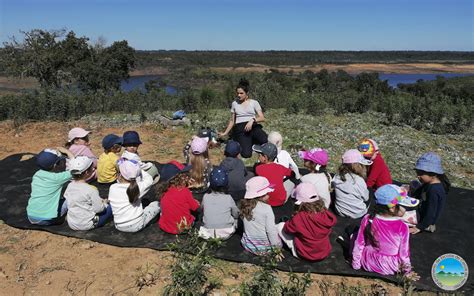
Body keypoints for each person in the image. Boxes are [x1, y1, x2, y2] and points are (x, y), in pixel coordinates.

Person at [352, 184, 419, 276]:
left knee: (355, 236)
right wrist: (407, 271)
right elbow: (404, 254)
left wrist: (356, 264)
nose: (405, 209)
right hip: (390, 266)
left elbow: (359, 244)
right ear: (392, 208)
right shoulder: (402, 226)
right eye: (403, 206)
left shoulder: (368, 218)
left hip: (368, 262)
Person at [277, 182, 337, 261]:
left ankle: (277, 246)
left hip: (304, 254)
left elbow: (287, 229)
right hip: (323, 252)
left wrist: (290, 222)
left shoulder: (299, 218)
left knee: (279, 226)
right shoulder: (325, 214)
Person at [218, 79, 268, 158]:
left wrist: (252, 120)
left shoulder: (254, 102)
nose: (239, 95)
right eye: (238, 93)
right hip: (241, 129)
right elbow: (232, 120)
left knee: (265, 139)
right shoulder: (234, 104)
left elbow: (262, 118)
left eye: (241, 93)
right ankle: (247, 142)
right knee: (246, 154)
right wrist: (225, 133)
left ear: (247, 93)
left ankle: (252, 141)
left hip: (253, 125)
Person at [108, 159, 160, 232]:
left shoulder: (113, 188)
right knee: (156, 204)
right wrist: (138, 170)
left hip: (119, 225)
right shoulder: (138, 187)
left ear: (120, 175)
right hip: (137, 225)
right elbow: (149, 179)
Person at [27, 147, 74, 225]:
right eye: (61, 161)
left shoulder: (36, 174)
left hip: (31, 216)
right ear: (56, 165)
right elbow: (77, 169)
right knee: (72, 197)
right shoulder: (57, 178)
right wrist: (68, 152)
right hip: (46, 219)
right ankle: (62, 218)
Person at [64, 156, 112, 230]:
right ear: (86, 172)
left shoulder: (70, 186)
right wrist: (105, 203)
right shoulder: (91, 189)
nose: (93, 169)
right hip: (88, 224)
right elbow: (99, 209)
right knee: (111, 207)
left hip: (72, 223)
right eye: (92, 168)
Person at [410, 152, 451, 234]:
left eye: (421, 173)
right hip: (422, 208)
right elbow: (421, 189)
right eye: (418, 173)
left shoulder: (434, 190)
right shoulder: (431, 182)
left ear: (432, 174)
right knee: (414, 183)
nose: (418, 176)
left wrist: (419, 227)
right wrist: (413, 194)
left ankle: (428, 227)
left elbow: (431, 212)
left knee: (400, 214)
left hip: (424, 219)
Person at [240, 176, 282, 255]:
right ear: (261, 195)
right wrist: (276, 250)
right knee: (279, 228)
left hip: (248, 245)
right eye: (267, 193)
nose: (269, 195)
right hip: (264, 249)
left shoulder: (244, 205)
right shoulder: (267, 208)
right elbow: (271, 231)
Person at [158, 161, 200, 234]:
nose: (187, 177)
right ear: (179, 177)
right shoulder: (184, 191)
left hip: (166, 228)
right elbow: (195, 207)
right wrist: (196, 202)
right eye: (185, 175)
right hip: (184, 228)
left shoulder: (163, 191)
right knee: (194, 215)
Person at [198, 167, 239, 240]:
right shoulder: (228, 197)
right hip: (226, 233)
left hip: (207, 233)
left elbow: (201, 209)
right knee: (236, 219)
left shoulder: (206, 196)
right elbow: (236, 213)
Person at [333, 149, 371, 219]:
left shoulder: (336, 177)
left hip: (339, 211)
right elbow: (366, 198)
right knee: (370, 197)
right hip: (358, 214)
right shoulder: (359, 181)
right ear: (356, 165)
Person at [253, 143, 294, 207]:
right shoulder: (280, 167)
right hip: (281, 200)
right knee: (291, 182)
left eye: (259, 155)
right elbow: (292, 173)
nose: (258, 157)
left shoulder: (258, 168)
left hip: (266, 201)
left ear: (265, 157)